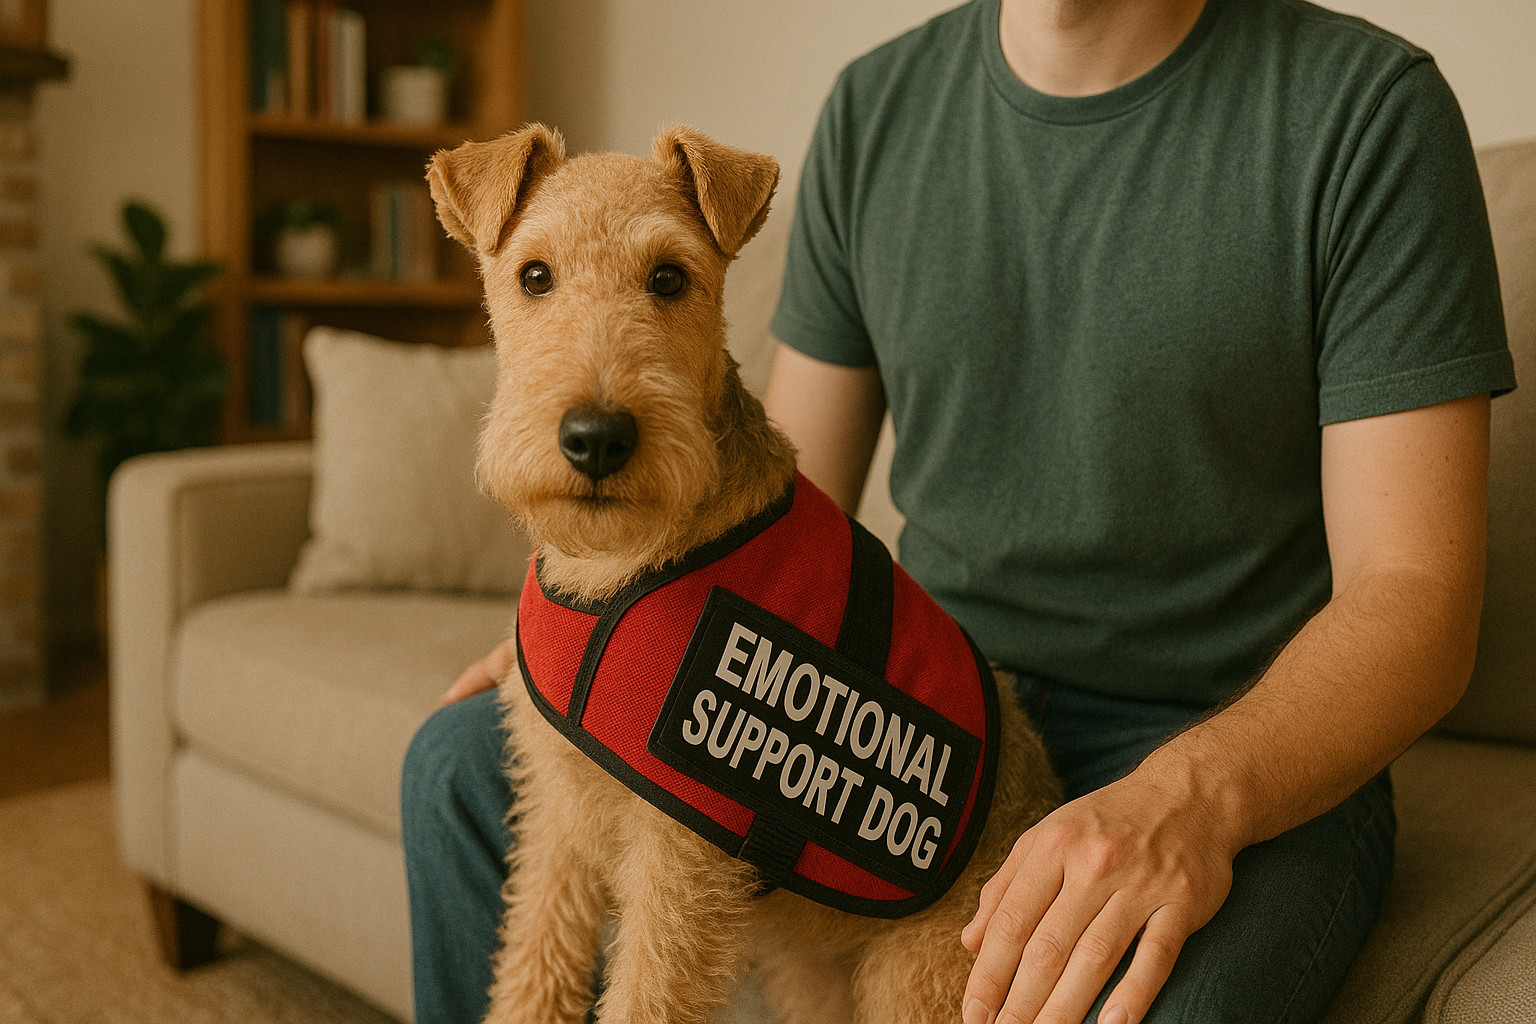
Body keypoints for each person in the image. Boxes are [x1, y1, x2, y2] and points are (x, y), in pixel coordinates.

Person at [401, 0, 1515, 1021]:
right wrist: (603, 625)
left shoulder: (1367, 111)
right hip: (920, 696)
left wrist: (1189, 798)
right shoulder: (877, 109)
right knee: (461, 765)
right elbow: (785, 503)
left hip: (1226, 731)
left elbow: (1416, 597)